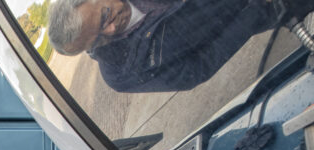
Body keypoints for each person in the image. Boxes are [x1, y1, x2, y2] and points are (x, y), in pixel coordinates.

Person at [47, 0, 314, 92]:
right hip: (266, 9)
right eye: (97, 40)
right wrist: (257, 10)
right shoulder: (119, 72)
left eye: (104, 16)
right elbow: (198, 68)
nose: (112, 29)